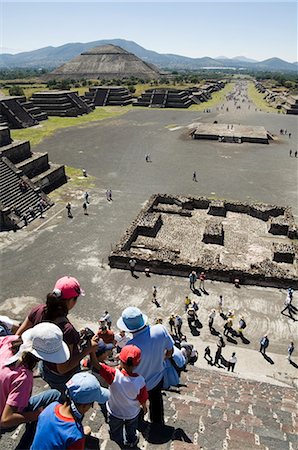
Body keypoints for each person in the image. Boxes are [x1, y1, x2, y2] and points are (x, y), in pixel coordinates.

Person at [16, 276, 97, 393]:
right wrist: (88, 349)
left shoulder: (38, 310)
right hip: (61, 378)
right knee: (63, 397)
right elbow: (63, 368)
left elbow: (18, 336)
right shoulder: (67, 330)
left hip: (45, 367)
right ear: (70, 301)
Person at [0, 323, 70, 448]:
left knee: (53, 395)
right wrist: (39, 414)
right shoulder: (23, 377)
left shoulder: (8, 341)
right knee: (53, 397)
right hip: (2, 418)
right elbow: (6, 420)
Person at [117, 307, 174, 425]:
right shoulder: (160, 330)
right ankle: (157, 423)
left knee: (136, 404)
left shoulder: (130, 346)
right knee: (156, 401)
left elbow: (125, 369)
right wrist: (160, 359)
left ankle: (139, 423)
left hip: (138, 383)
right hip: (157, 377)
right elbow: (170, 351)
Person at [30, 372, 109, 450]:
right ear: (84, 406)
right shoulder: (75, 436)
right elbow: (70, 435)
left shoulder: (51, 407)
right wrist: (80, 436)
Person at [90, 345, 148, 448]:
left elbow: (95, 364)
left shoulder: (113, 374)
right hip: (131, 413)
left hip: (114, 412)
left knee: (115, 430)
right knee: (131, 429)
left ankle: (116, 442)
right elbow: (143, 399)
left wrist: (91, 350)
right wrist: (144, 408)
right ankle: (131, 441)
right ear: (138, 363)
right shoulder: (140, 381)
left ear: (120, 359)